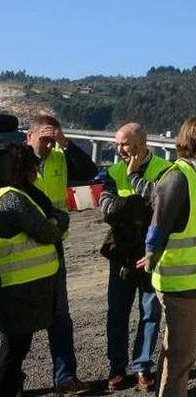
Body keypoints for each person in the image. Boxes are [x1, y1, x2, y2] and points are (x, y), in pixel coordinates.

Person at [137, 116, 196, 397]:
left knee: (174, 351)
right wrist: (151, 251)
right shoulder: (179, 176)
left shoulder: (195, 176)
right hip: (180, 283)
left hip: (192, 280)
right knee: (181, 358)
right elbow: (159, 222)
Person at [25, 114, 96, 395]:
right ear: (29, 136)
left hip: (54, 249)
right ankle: (10, 381)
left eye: (50, 139)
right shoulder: (15, 163)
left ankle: (65, 379)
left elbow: (89, 170)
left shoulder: (58, 158)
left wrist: (65, 143)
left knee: (60, 317)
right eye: (42, 138)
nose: (46, 145)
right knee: (17, 322)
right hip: (19, 252)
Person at [98, 123, 171, 392]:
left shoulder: (164, 169)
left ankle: (142, 366)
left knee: (150, 312)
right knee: (117, 311)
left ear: (142, 144)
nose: (119, 150)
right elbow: (106, 209)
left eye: (125, 144)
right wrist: (138, 205)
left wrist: (130, 202)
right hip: (122, 253)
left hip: (151, 252)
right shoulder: (114, 172)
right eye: (117, 144)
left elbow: (162, 205)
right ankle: (117, 367)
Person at [0, 115, 66, 396]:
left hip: (15, 289)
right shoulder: (13, 198)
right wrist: (58, 220)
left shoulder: (15, 194)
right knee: (11, 353)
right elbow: (50, 230)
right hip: (16, 292)